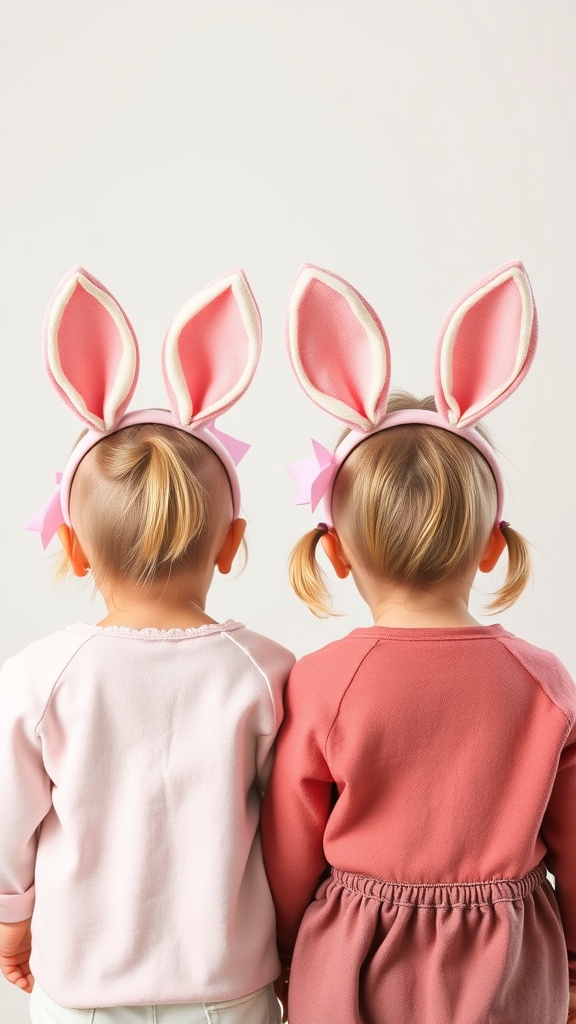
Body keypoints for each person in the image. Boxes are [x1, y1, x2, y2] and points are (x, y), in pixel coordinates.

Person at [261, 263, 576, 1024]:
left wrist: (281, 948)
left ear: (335, 554)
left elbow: (290, 846)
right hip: (508, 963)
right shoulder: (542, 681)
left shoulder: (324, 681)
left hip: (353, 957)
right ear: (492, 545)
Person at [0, 267, 294, 1024]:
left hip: (81, 992)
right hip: (229, 988)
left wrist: (11, 919)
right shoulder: (267, 673)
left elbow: (7, 824)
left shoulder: (39, 678)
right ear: (232, 545)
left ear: (70, 549)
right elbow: (293, 829)